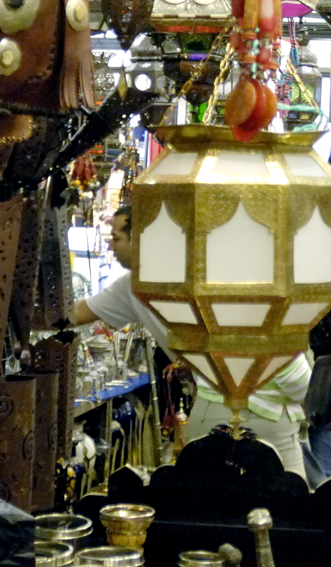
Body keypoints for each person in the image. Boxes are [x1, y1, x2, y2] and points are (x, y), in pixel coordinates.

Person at [72, 201, 313, 484]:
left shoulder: (142, 284)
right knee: (286, 502)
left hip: (214, 409)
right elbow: (293, 374)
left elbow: (75, 314)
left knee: (208, 501)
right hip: (265, 412)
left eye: (116, 238)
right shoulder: (216, 275)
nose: (110, 246)